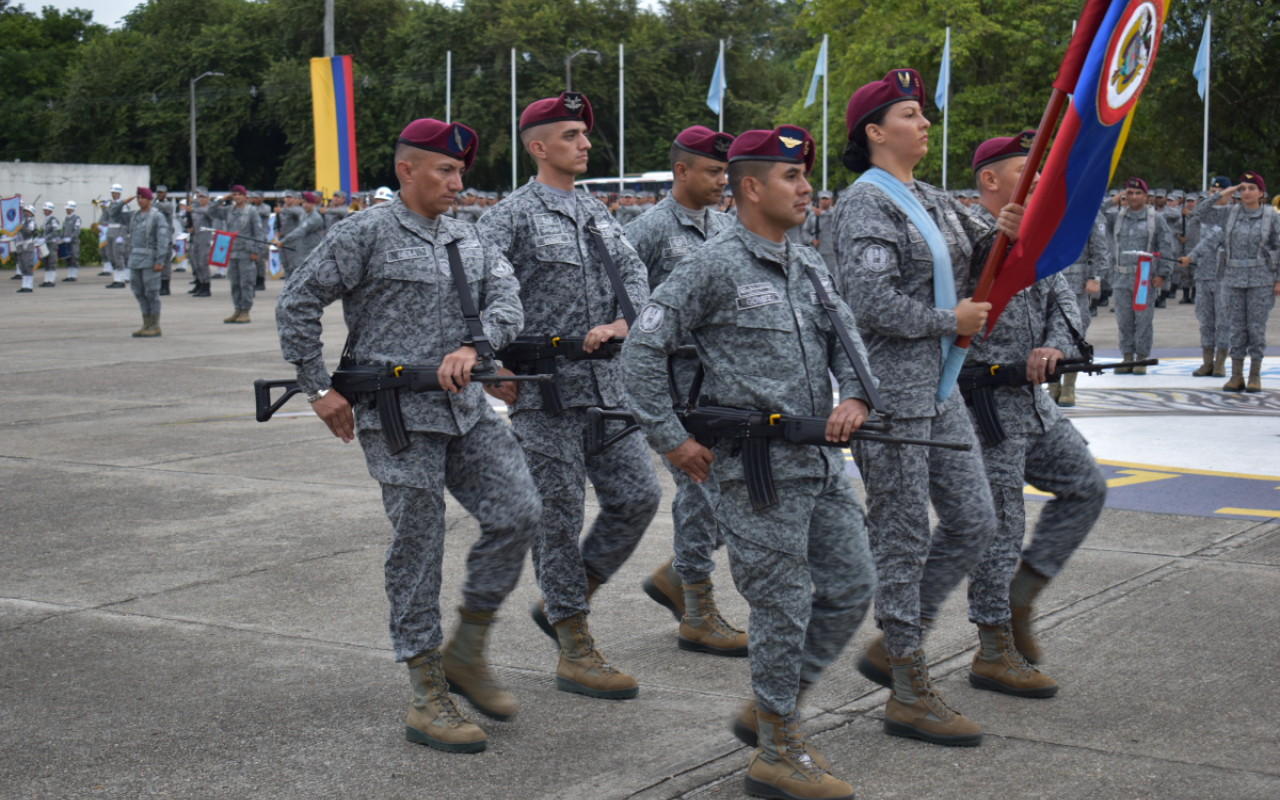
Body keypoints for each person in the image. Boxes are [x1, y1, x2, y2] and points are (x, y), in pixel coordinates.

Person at [621, 124, 874, 800]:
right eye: (791, 177)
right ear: (751, 187)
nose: (806, 187)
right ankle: (776, 745)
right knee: (783, 606)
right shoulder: (711, 263)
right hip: (754, 469)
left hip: (818, 464)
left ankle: (772, 706)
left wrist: (854, 395)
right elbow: (640, 354)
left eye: (806, 176)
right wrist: (671, 439)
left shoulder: (807, 261)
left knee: (852, 585)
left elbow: (848, 344)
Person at [276, 118, 539, 754]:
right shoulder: (365, 232)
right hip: (397, 417)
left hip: (465, 410)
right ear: (407, 172)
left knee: (520, 512)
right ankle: (426, 686)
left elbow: (507, 301)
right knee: (419, 542)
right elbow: (297, 302)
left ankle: (466, 648)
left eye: (459, 171)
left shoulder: (468, 236)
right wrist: (317, 388)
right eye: (445, 171)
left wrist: (476, 347)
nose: (457, 182)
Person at [833, 69, 1020, 747]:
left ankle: (895, 637)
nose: (926, 124)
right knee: (903, 536)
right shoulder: (865, 205)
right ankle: (908, 681)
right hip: (890, 397)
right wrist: (950, 318)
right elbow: (868, 303)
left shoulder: (933, 199)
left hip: (938, 392)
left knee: (975, 519)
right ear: (876, 133)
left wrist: (1004, 228)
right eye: (912, 114)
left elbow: (982, 256)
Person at [477, 91, 661, 701]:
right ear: (538, 147)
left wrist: (623, 325)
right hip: (545, 388)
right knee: (558, 516)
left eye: (584, 135)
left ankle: (566, 596)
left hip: (606, 386)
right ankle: (574, 641)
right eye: (572, 135)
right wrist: (487, 362)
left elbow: (634, 276)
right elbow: (468, 289)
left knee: (637, 496)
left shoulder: (596, 210)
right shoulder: (511, 216)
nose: (585, 144)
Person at [961, 132, 1106, 693]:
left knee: (1086, 486)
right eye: (1027, 171)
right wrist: (996, 243)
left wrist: (1054, 349)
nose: (1039, 181)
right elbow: (948, 294)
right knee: (999, 528)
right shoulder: (969, 239)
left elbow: (1066, 310)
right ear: (990, 181)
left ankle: (1024, 591)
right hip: (984, 409)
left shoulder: (1039, 242)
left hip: (1033, 406)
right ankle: (993, 649)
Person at [622, 125, 748, 657]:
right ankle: (695, 607)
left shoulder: (727, 226)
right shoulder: (646, 230)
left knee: (734, 492)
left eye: (726, 171)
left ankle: (678, 574)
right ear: (681, 171)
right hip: (676, 385)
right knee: (703, 489)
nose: (724, 180)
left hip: (722, 381)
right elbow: (625, 310)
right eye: (715, 170)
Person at [1185, 173, 1280, 392]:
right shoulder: (1230, 213)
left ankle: (1254, 375)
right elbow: (1199, 212)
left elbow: (1278, 246)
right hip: (1233, 279)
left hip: (1261, 280)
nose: (1247, 192)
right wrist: (1222, 193)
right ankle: (1236, 375)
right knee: (1237, 328)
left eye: (1252, 188)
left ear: (1261, 193)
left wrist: (1278, 280)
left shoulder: (1271, 217)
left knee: (1255, 328)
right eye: (1243, 188)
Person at [1104, 178, 1173, 372]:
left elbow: (1166, 247)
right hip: (1121, 276)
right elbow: (1095, 212)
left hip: (1144, 277)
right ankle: (1127, 357)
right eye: (1130, 193)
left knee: (1143, 320)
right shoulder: (1116, 216)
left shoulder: (1155, 218)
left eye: (1138, 193)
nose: (1134, 197)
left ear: (1146, 196)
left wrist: (1163, 274)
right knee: (1123, 319)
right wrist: (1116, 199)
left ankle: (1141, 357)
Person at [210, 185, 265, 323]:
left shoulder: (251, 211)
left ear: (245, 196)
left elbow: (259, 232)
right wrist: (222, 199)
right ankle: (237, 309)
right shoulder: (229, 210)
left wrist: (256, 250)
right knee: (234, 282)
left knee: (246, 282)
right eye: (234, 194)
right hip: (232, 252)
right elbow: (211, 211)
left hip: (246, 252)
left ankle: (246, 310)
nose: (237, 197)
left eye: (240, 194)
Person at [125, 187, 170, 338]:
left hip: (150, 260)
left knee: (151, 292)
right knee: (138, 292)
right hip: (135, 260)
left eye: (142, 198)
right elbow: (113, 214)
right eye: (138, 198)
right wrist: (124, 201)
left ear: (149, 199)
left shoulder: (157, 216)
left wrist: (160, 260)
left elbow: (163, 240)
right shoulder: (134, 216)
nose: (140, 200)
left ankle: (155, 325)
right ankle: (146, 323)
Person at [277, 192, 325, 277]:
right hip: (301, 252)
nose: (305, 205)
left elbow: (300, 231)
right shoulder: (303, 215)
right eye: (303, 202)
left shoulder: (315, 217)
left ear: (313, 203)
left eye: (308, 202)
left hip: (311, 254)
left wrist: (283, 241)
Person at [187, 188, 215, 296]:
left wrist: (192, 209)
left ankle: (206, 286)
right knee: (196, 263)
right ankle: (200, 284)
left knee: (203, 263)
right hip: (195, 239)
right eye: (200, 197)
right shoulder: (195, 209)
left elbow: (210, 214)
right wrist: (189, 228)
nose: (202, 199)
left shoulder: (208, 210)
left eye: (204, 197)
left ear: (208, 199)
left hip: (204, 239)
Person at [104, 184, 131, 289]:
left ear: (119, 193)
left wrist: (122, 235)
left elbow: (125, 221)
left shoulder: (123, 205)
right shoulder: (111, 205)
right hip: (110, 232)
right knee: (111, 256)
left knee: (118, 256)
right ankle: (116, 279)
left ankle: (120, 280)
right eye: (112, 193)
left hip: (119, 232)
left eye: (115, 193)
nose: (113, 194)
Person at [803, 190, 838, 270]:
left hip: (830, 253)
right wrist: (811, 240)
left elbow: (834, 213)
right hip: (816, 252)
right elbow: (804, 232)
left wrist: (821, 214)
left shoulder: (834, 214)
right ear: (819, 200)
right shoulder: (812, 216)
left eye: (826, 199)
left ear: (831, 201)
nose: (824, 201)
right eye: (822, 199)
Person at [152, 185, 176, 296]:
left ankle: (166, 286)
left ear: (166, 193)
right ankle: (159, 285)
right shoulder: (154, 203)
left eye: (162, 192)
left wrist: (151, 204)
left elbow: (159, 207)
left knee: (165, 263)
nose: (160, 194)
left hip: (166, 237)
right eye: (158, 192)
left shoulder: (169, 205)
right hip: (156, 237)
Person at [274, 191, 303, 280]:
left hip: (293, 242)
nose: (288, 199)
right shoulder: (281, 210)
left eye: (290, 197)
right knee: (285, 265)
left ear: (294, 199)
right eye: (286, 197)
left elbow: (298, 212)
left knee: (293, 266)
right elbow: (275, 224)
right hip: (282, 241)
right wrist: (277, 231)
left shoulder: (296, 209)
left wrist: (282, 210)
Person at [14, 205, 37, 293]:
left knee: (28, 266)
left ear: (31, 214)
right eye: (25, 211)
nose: (26, 213)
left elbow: (28, 232)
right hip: (20, 246)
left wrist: (21, 228)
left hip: (27, 246)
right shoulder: (21, 222)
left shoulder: (31, 222)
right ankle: (24, 285)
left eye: (28, 212)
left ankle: (29, 286)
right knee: (22, 266)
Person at [39, 202, 62, 287]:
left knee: (51, 261)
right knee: (46, 262)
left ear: (51, 211)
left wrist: (46, 237)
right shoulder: (44, 220)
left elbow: (55, 232)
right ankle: (46, 280)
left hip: (51, 243)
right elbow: (42, 231)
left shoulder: (53, 220)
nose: (45, 211)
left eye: (47, 210)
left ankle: (51, 280)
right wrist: (38, 238)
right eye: (45, 210)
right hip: (45, 244)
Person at [61, 201, 82, 282]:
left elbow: (77, 230)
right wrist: (61, 237)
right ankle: (69, 275)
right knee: (68, 258)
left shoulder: (76, 218)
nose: (68, 210)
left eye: (69, 209)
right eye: (67, 209)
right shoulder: (65, 218)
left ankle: (74, 275)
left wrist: (71, 237)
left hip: (73, 242)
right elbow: (63, 229)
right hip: (66, 242)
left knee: (74, 257)